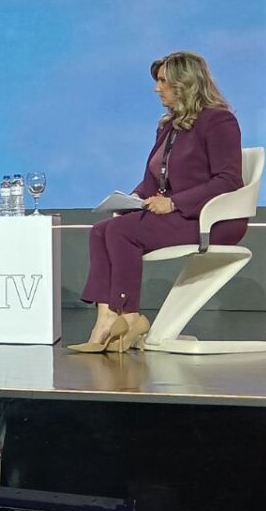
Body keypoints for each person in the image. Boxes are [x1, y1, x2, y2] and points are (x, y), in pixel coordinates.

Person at [70, 51, 246, 353]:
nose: (157, 88)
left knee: (121, 232)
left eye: (163, 81)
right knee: (101, 230)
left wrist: (175, 203)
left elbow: (228, 180)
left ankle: (130, 317)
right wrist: (131, 201)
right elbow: (153, 181)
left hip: (211, 219)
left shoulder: (218, 121)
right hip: (178, 215)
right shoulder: (169, 126)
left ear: (185, 83)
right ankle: (105, 320)